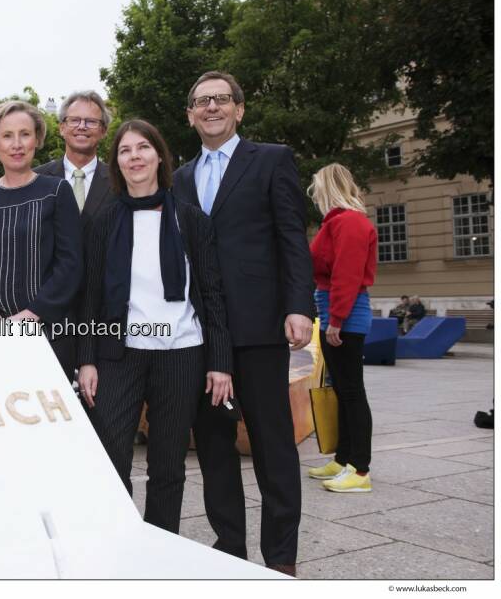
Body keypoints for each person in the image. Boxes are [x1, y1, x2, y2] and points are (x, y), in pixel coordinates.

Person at [172, 71, 314, 577]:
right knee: (213, 448)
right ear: (190, 115)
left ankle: (281, 559)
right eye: (201, 101)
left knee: (274, 446)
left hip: (259, 328)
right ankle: (230, 549)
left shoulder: (271, 160)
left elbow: (291, 237)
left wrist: (300, 305)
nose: (210, 108)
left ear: (239, 108)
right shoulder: (181, 177)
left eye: (220, 99)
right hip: (203, 334)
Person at [77, 120, 233, 533]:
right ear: (117, 164)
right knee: (111, 458)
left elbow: (212, 295)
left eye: (143, 147)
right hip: (118, 354)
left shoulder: (191, 220)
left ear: (159, 156)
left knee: (168, 464)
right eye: (125, 151)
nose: (135, 157)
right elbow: (91, 295)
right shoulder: (104, 222)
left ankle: (160, 548)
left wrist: (220, 362)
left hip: (182, 353)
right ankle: (118, 540)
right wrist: (86, 360)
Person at [0, 100, 82, 343]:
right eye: (7, 136)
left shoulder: (57, 191)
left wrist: (30, 314)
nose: (16, 144)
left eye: (25, 134)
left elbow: (70, 264)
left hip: (47, 333)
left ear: (37, 139)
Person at [34, 90, 116, 385]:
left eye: (91, 121)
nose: (82, 126)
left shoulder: (121, 183)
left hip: (104, 315)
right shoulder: (36, 181)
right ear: (61, 128)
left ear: (104, 131)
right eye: (75, 120)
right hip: (48, 311)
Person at [305, 163, 377, 493]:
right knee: (342, 390)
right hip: (336, 312)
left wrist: (336, 319)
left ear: (328, 188)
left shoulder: (348, 222)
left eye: (317, 188)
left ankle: (360, 470)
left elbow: (346, 273)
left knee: (351, 391)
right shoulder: (337, 222)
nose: (314, 194)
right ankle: (344, 458)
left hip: (344, 316)